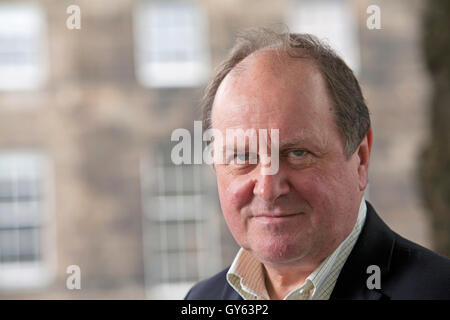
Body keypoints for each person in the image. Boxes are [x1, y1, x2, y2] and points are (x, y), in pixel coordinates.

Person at [185, 28, 450, 300]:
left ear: (360, 158)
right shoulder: (200, 299)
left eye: (297, 153)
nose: (267, 189)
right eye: (242, 157)